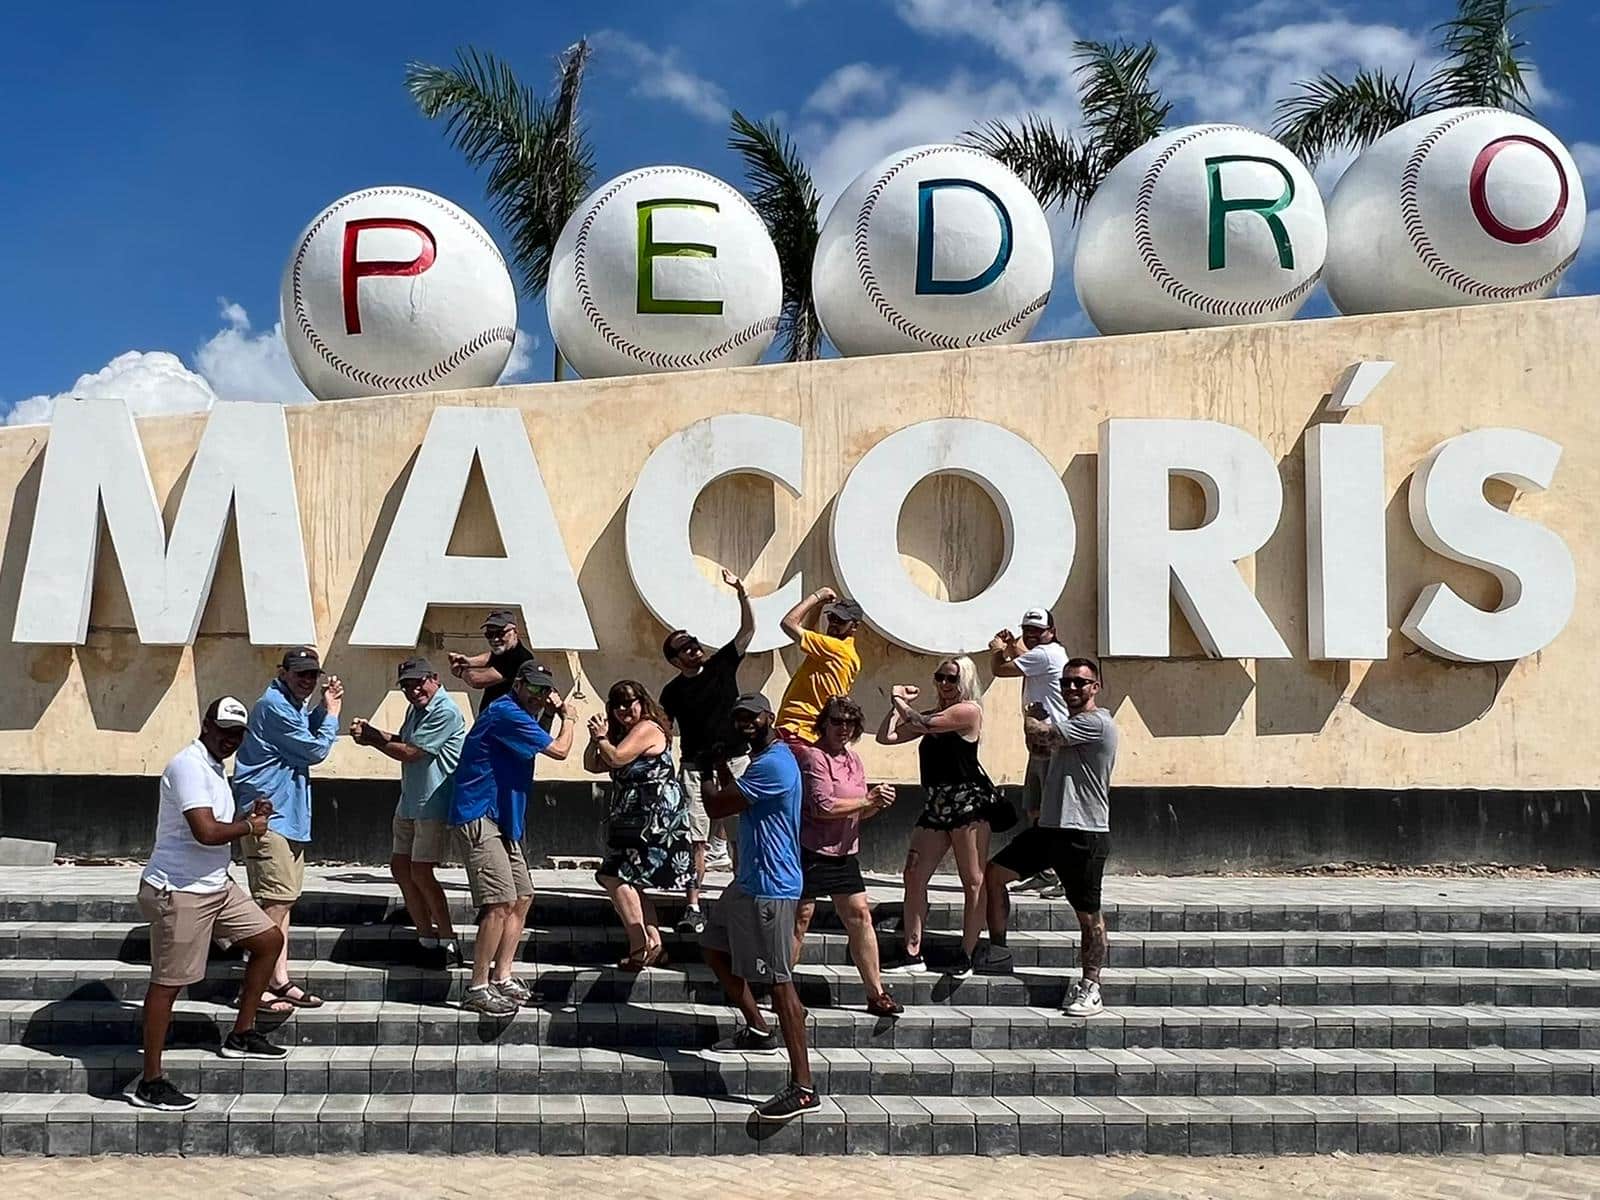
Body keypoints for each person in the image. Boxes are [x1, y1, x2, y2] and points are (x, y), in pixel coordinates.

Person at [128, 698, 288, 1111]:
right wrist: (249, 826)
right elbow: (205, 832)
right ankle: (150, 1081)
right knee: (168, 983)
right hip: (180, 890)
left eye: (237, 734)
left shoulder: (215, 768)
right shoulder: (188, 765)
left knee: (269, 940)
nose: (229, 739)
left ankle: (242, 1034)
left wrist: (249, 815)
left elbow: (217, 824)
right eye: (223, 731)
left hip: (217, 887)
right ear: (206, 725)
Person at [700, 693, 817, 1122]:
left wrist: (705, 772)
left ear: (770, 717)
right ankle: (757, 1027)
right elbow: (737, 798)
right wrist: (720, 766)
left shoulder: (775, 764)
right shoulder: (760, 760)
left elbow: (717, 805)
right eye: (739, 718)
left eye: (752, 716)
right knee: (713, 947)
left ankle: (803, 1087)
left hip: (772, 888)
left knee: (780, 984)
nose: (745, 723)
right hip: (747, 882)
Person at [983, 658, 1118, 1017]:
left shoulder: (1096, 723)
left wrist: (1030, 715)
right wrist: (1038, 725)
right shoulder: (1070, 724)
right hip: (1050, 827)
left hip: (1083, 831)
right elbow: (1040, 748)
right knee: (994, 874)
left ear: (1095, 687)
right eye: (1066, 682)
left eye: (1080, 682)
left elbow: (1041, 737)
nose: (1071, 688)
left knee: (1088, 916)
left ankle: (1091, 986)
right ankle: (998, 951)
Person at [449, 659, 576, 1016]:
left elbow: (529, 745)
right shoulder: (504, 711)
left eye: (544, 690)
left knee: (522, 897)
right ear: (517, 684)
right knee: (499, 902)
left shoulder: (520, 718)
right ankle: (477, 987)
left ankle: (502, 977)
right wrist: (568, 717)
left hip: (504, 818)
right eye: (532, 687)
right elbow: (559, 751)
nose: (538, 695)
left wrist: (548, 714)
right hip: (479, 813)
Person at [232, 646, 342, 1012]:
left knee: (284, 900)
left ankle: (278, 979)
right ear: (284, 673)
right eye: (300, 674)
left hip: (289, 817)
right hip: (270, 817)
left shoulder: (290, 706)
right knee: (274, 903)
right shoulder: (274, 706)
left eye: (312, 674)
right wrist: (332, 715)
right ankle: (253, 987)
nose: (307, 680)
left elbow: (302, 731)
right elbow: (313, 750)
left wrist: (322, 708)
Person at [349, 657, 468, 968]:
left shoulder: (445, 711)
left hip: (433, 803)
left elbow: (413, 753)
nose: (414, 690)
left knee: (421, 871)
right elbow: (404, 741)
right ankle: (425, 938)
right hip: (410, 801)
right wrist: (373, 732)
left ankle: (448, 941)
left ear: (435, 679)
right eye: (407, 686)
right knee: (401, 868)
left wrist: (372, 740)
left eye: (419, 683)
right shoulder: (416, 709)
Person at [876, 656, 990, 977]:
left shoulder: (968, 711)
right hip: (936, 805)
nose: (944, 683)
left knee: (973, 881)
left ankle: (967, 954)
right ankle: (912, 952)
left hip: (968, 807)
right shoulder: (935, 715)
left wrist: (898, 700)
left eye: (951, 678)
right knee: (913, 874)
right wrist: (895, 706)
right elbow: (888, 736)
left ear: (964, 681)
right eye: (940, 677)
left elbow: (923, 724)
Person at [790, 695, 903, 1017]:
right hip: (812, 850)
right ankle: (781, 990)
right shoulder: (814, 757)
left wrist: (876, 804)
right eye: (837, 721)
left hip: (844, 853)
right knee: (800, 919)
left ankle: (876, 992)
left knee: (860, 916)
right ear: (824, 724)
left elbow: (857, 811)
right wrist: (867, 800)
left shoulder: (853, 760)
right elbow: (822, 807)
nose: (843, 728)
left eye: (850, 722)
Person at [659, 568, 755, 931]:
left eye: (694, 644)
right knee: (694, 839)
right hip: (695, 768)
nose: (693, 649)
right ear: (675, 660)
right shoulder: (672, 692)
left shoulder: (721, 665)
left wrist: (742, 593)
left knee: (740, 837)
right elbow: (664, 729)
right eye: (685, 649)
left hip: (735, 762)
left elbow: (747, 632)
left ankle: (742, 901)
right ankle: (693, 906)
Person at [584, 680, 694, 969]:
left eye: (628, 702)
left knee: (613, 875)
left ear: (642, 702)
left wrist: (602, 738)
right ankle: (655, 945)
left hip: (653, 819)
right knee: (630, 879)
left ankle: (639, 945)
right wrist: (595, 739)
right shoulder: (624, 735)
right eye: (616, 704)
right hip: (631, 818)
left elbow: (616, 758)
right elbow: (593, 765)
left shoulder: (647, 728)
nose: (623, 709)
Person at [988, 607, 1070, 895]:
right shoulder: (1044, 654)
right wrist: (1013, 645)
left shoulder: (1046, 654)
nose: (1032, 635)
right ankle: (1045, 870)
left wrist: (998, 650)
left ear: (1052, 631)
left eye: (1038, 630)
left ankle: (1062, 874)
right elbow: (1024, 656)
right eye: (1027, 630)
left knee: (1050, 813)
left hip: (1051, 742)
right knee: (1036, 809)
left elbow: (1000, 669)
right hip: (1040, 744)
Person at [775, 586, 863, 745]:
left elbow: (788, 623)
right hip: (810, 733)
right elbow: (808, 632)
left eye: (841, 621)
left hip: (799, 729)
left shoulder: (834, 648)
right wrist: (818, 607)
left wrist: (817, 596)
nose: (834, 624)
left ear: (854, 626)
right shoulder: (847, 653)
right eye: (832, 618)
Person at [448, 608, 535, 709]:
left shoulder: (519, 658)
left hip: (507, 717)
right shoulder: (506, 651)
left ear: (515, 631)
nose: (495, 639)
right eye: (489, 634)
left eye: (500, 633)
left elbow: (479, 680)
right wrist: (468, 661)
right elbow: (490, 657)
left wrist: (461, 672)